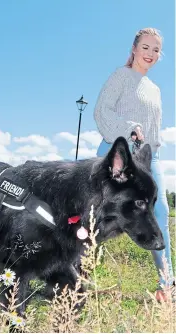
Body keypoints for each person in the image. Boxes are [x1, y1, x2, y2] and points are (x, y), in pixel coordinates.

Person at [93, 27, 174, 302]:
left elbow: (154, 126)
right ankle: (75, 273)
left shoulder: (156, 89)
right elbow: (101, 110)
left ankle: (167, 285)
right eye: (145, 47)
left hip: (150, 156)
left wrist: (154, 147)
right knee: (96, 214)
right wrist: (129, 128)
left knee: (159, 211)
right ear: (134, 48)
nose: (150, 53)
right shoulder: (121, 76)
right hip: (118, 152)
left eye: (156, 49)